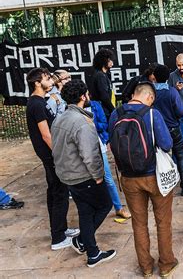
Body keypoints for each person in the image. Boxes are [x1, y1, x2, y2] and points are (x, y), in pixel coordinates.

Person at [109, 82, 177, 278]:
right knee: (163, 221)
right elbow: (166, 143)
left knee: (139, 223)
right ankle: (166, 264)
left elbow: (111, 142)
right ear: (150, 97)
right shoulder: (152, 114)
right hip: (154, 176)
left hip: (129, 178)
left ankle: (146, 267)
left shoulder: (117, 113)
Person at [51, 79, 116, 268]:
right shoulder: (82, 122)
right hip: (83, 176)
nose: (89, 96)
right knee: (105, 204)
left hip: (67, 175)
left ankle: (92, 251)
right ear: (82, 96)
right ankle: (83, 241)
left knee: (86, 212)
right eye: (87, 94)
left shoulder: (60, 118)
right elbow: (90, 154)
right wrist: (97, 175)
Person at [26, 68, 78, 251]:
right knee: (59, 194)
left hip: (51, 155)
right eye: (47, 78)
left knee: (55, 193)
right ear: (37, 83)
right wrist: (59, 154)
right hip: (51, 155)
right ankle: (58, 238)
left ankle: (61, 230)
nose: (51, 80)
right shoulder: (37, 104)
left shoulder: (39, 101)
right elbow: (46, 135)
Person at [153, 63, 183, 196]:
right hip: (173, 128)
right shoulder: (171, 91)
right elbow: (180, 111)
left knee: (159, 157)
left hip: (157, 130)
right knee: (180, 156)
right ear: (168, 77)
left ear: (154, 77)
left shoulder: (151, 92)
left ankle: (162, 186)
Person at [88, 100, 131, 219]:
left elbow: (104, 124)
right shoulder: (70, 112)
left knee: (108, 178)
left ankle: (118, 207)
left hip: (98, 147)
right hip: (82, 150)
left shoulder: (95, 105)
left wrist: (92, 124)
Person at [90, 48, 115, 121]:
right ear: (103, 60)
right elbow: (104, 96)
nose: (111, 62)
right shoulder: (100, 75)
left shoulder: (103, 75)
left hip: (104, 111)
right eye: (109, 59)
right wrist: (113, 110)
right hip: (103, 112)